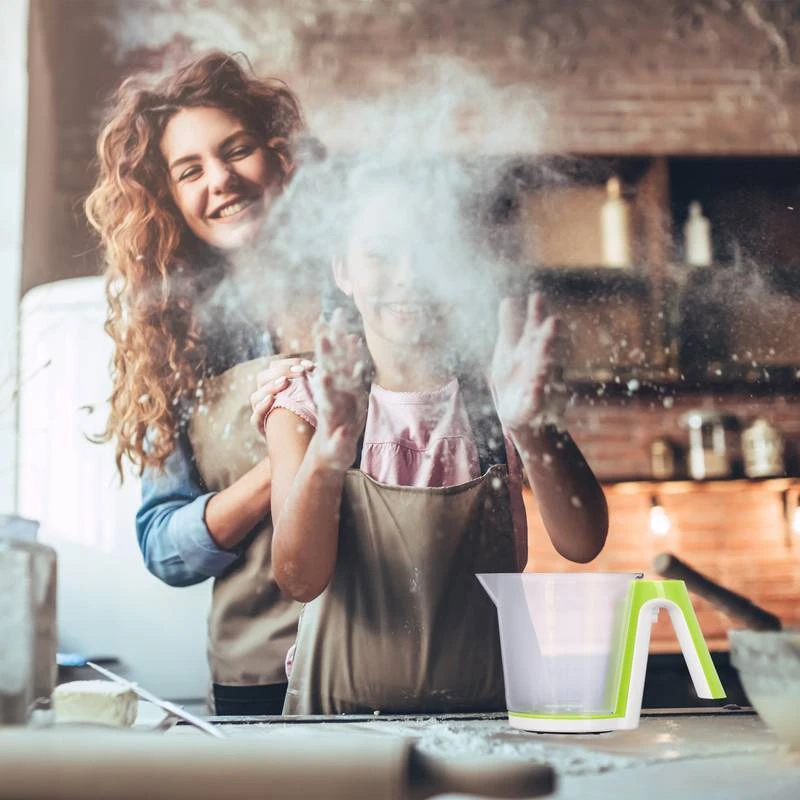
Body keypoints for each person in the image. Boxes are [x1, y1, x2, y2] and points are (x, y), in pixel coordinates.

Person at [263, 169, 610, 714]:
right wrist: (331, 450)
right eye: (381, 252)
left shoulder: (505, 388)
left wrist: (531, 425)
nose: (410, 276)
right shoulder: (307, 401)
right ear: (343, 268)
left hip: (494, 720)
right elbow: (297, 579)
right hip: (337, 736)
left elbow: (584, 540)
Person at [85, 51, 319, 715]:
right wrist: (282, 470)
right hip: (262, 681)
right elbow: (164, 547)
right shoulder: (171, 340)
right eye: (190, 170)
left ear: (278, 155)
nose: (220, 180)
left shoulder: (362, 283)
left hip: (396, 662)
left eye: (236, 149)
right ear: (169, 198)